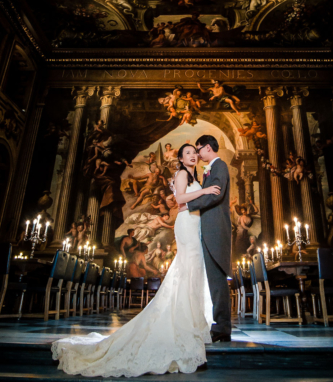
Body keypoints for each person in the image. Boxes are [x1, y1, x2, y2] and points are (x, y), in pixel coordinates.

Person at [51, 143, 221, 378]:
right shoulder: (182, 174)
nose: (193, 156)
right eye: (188, 153)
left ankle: (193, 323)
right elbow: (180, 198)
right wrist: (204, 191)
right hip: (186, 224)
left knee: (192, 272)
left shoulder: (195, 175)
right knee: (188, 270)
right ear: (180, 159)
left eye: (194, 153)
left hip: (195, 225)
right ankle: (185, 327)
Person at [184, 135, 232, 343]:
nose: (197, 153)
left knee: (217, 279)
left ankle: (222, 327)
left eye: (198, 149)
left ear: (208, 148)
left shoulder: (220, 166)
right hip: (207, 230)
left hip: (216, 231)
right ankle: (217, 324)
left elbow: (216, 194)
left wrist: (190, 205)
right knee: (212, 279)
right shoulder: (210, 169)